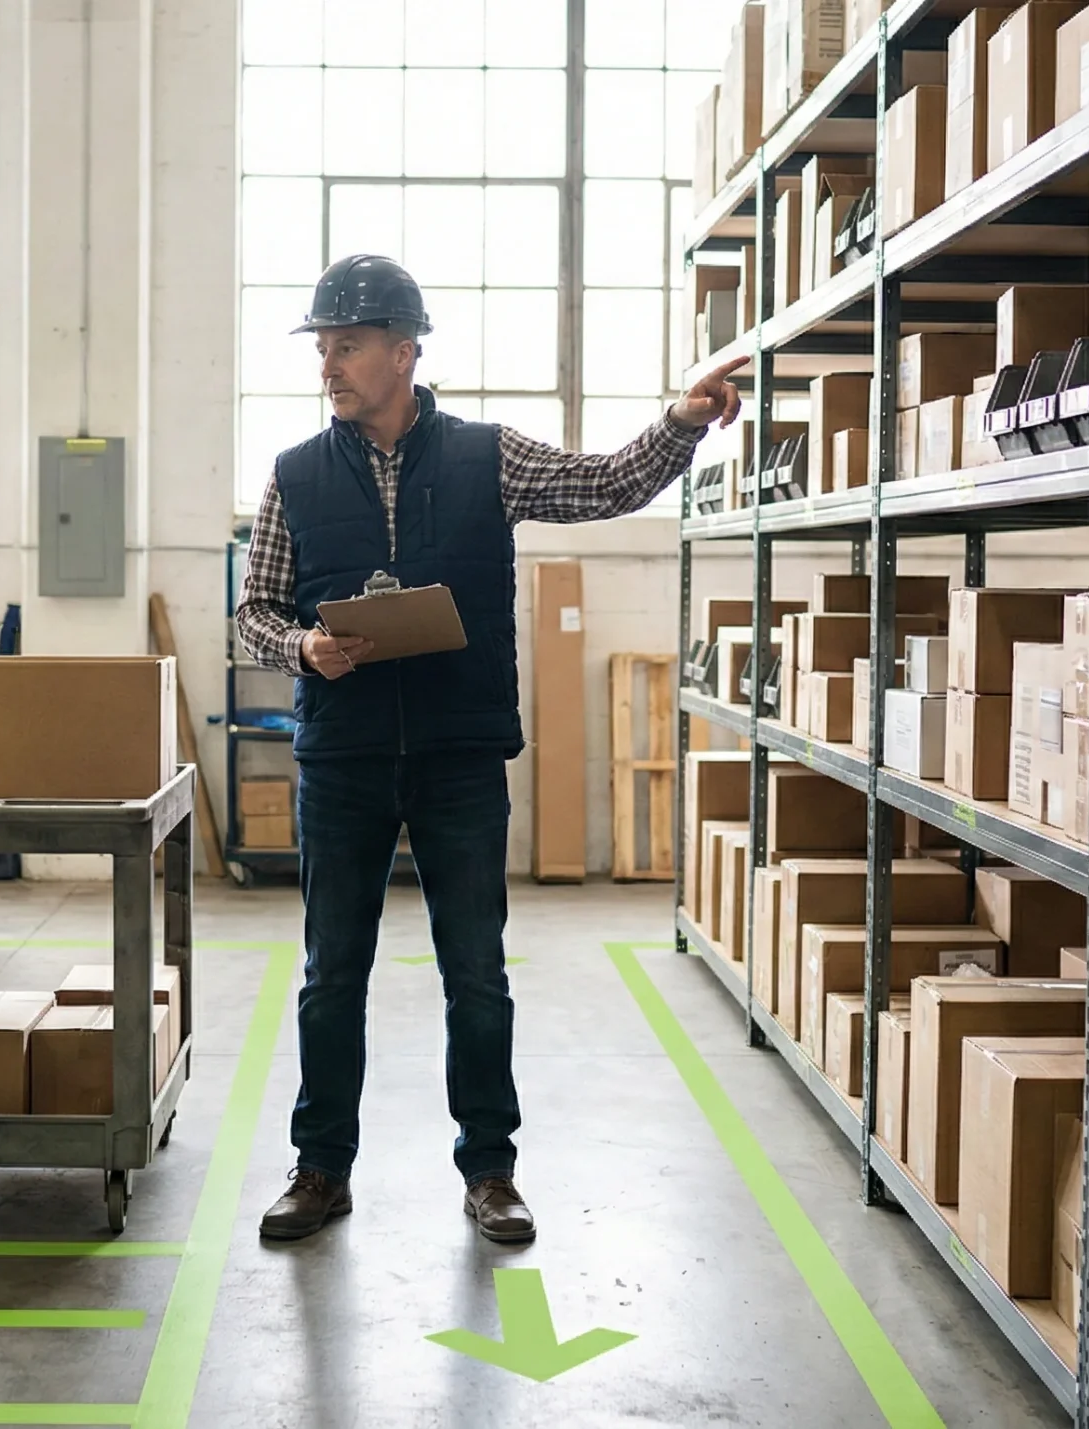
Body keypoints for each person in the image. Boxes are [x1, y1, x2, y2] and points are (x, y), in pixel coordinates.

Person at [238, 254, 748, 1244]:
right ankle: (320, 1167)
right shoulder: (294, 475)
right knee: (331, 974)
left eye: (347, 347)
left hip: (458, 755)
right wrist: (301, 646)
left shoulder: (487, 457)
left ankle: (490, 1170)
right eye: (322, 348)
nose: (328, 365)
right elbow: (254, 610)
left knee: (475, 971)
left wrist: (681, 423)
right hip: (342, 760)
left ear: (403, 352)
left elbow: (605, 484)